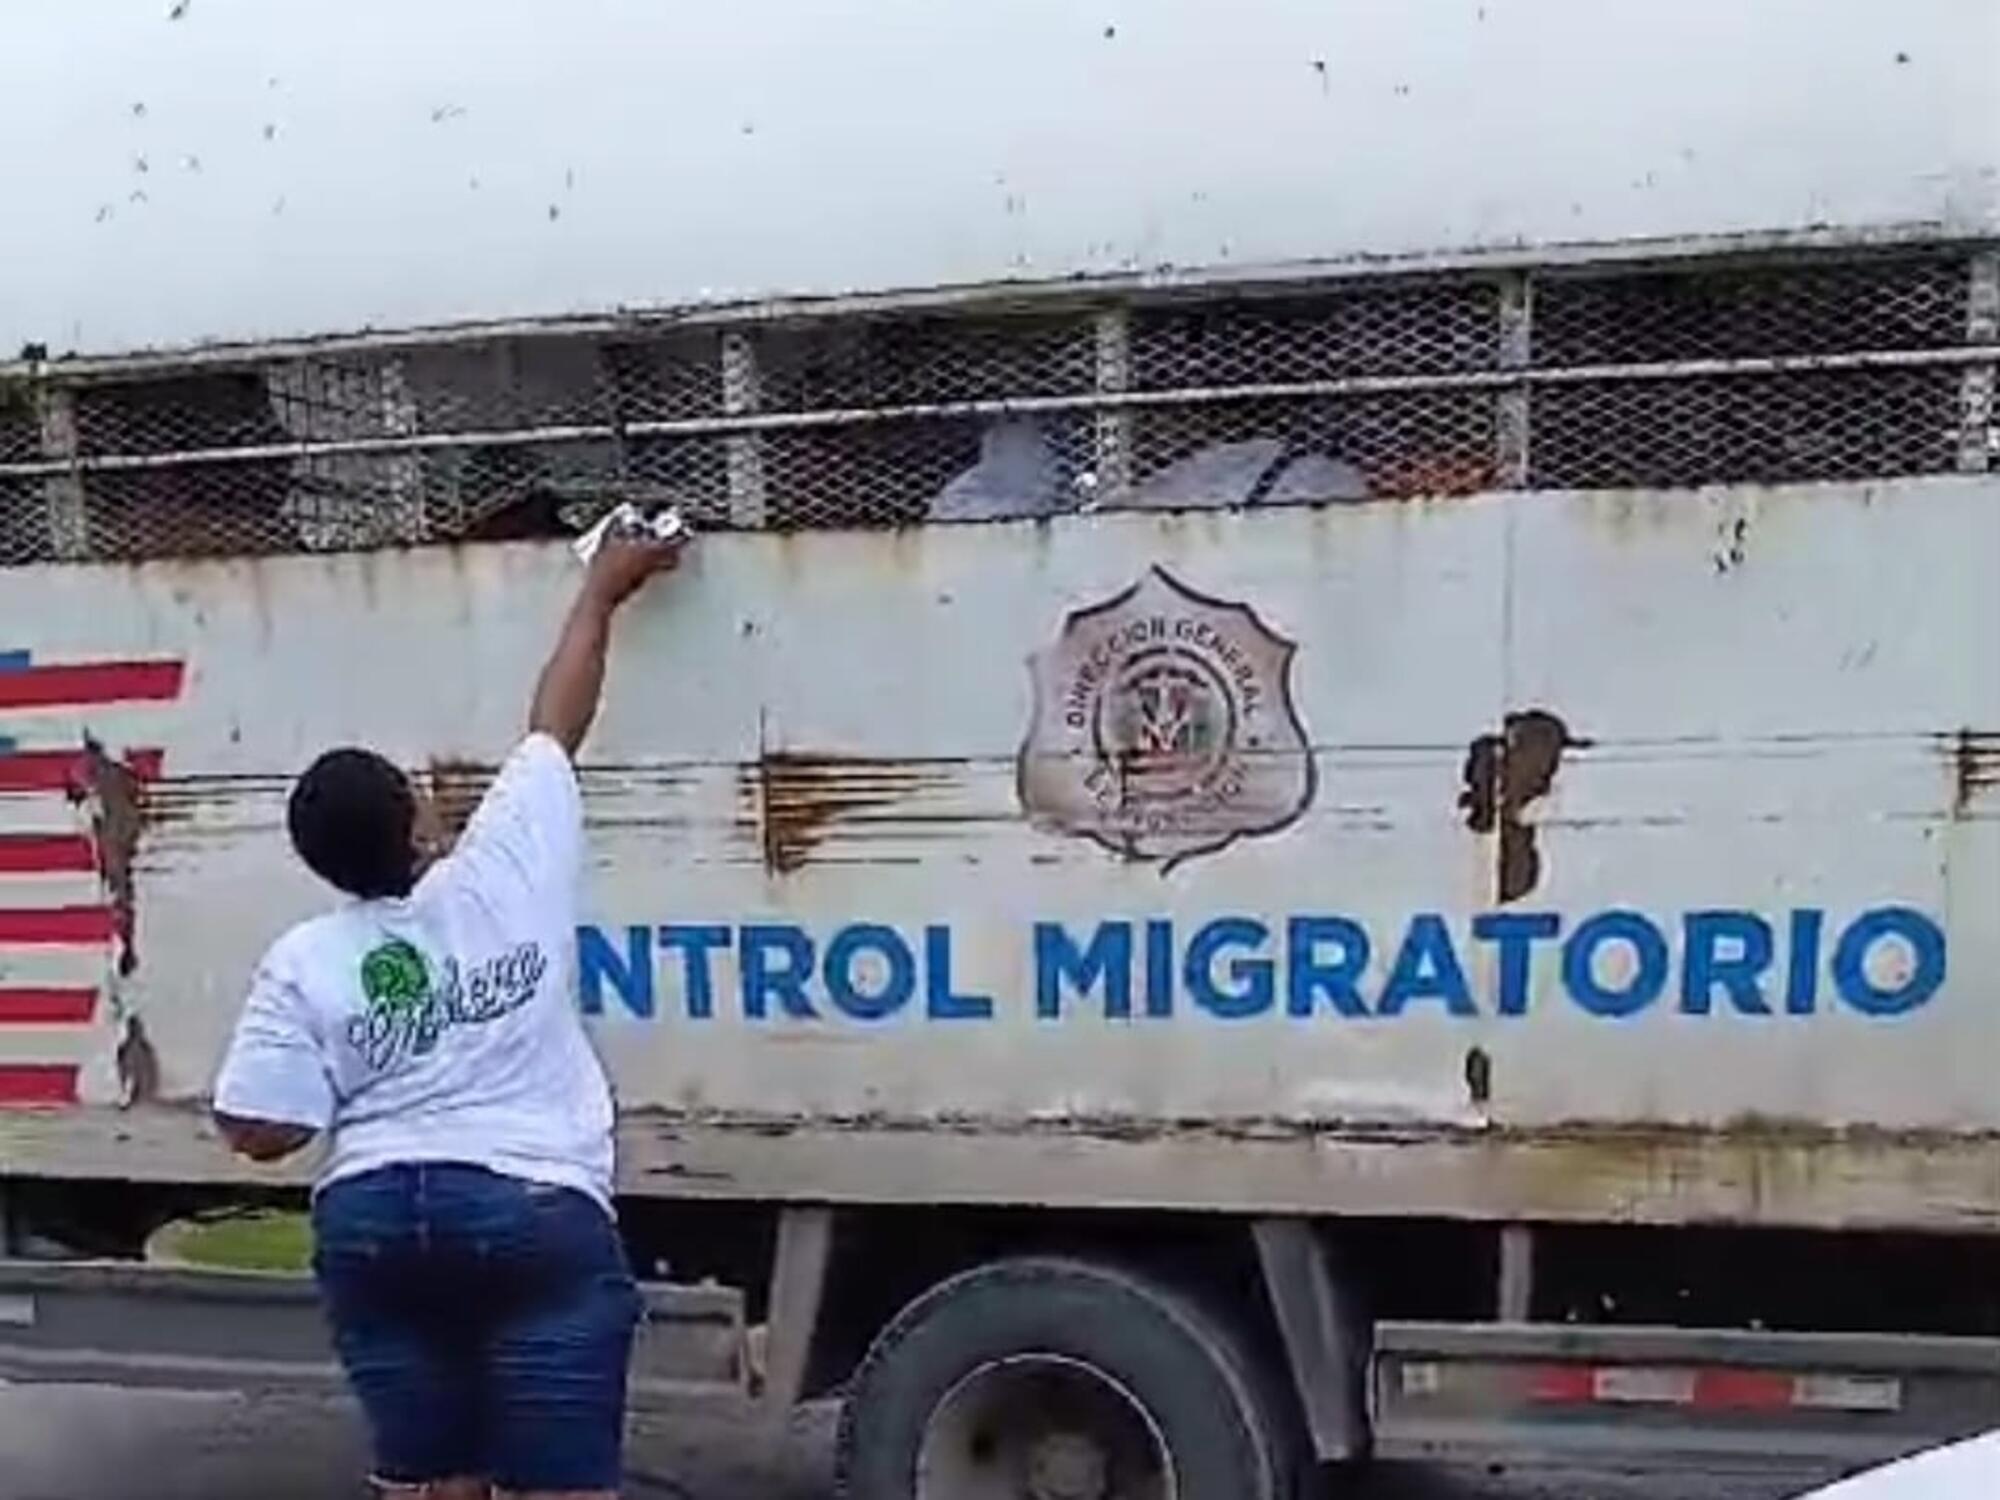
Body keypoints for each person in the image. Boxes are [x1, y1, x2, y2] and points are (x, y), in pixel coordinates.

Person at [212, 531, 685, 1500]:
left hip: (374, 1223)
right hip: (533, 1208)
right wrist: (601, 591)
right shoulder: (506, 867)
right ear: (422, 825)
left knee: (429, 1486)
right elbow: (556, 720)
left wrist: (355, 1073)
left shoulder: (304, 959)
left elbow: (260, 1129)